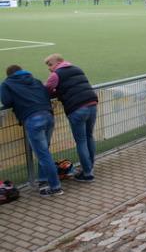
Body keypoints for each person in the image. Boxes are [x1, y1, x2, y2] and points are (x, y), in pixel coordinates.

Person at [1, 65, 63, 197]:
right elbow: (46, 93)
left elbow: (6, 101)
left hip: (33, 119)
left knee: (43, 155)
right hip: (48, 115)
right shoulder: (36, 80)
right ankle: (43, 181)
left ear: (9, 74)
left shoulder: (6, 84)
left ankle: (56, 187)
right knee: (44, 151)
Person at [44, 54, 98, 183]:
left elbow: (47, 90)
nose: (49, 68)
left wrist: (57, 92)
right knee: (89, 136)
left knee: (81, 141)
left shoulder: (56, 75)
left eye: (50, 65)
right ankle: (89, 167)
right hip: (92, 104)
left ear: (59, 62)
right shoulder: (77, 68)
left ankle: (87, 174)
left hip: (77, 109)